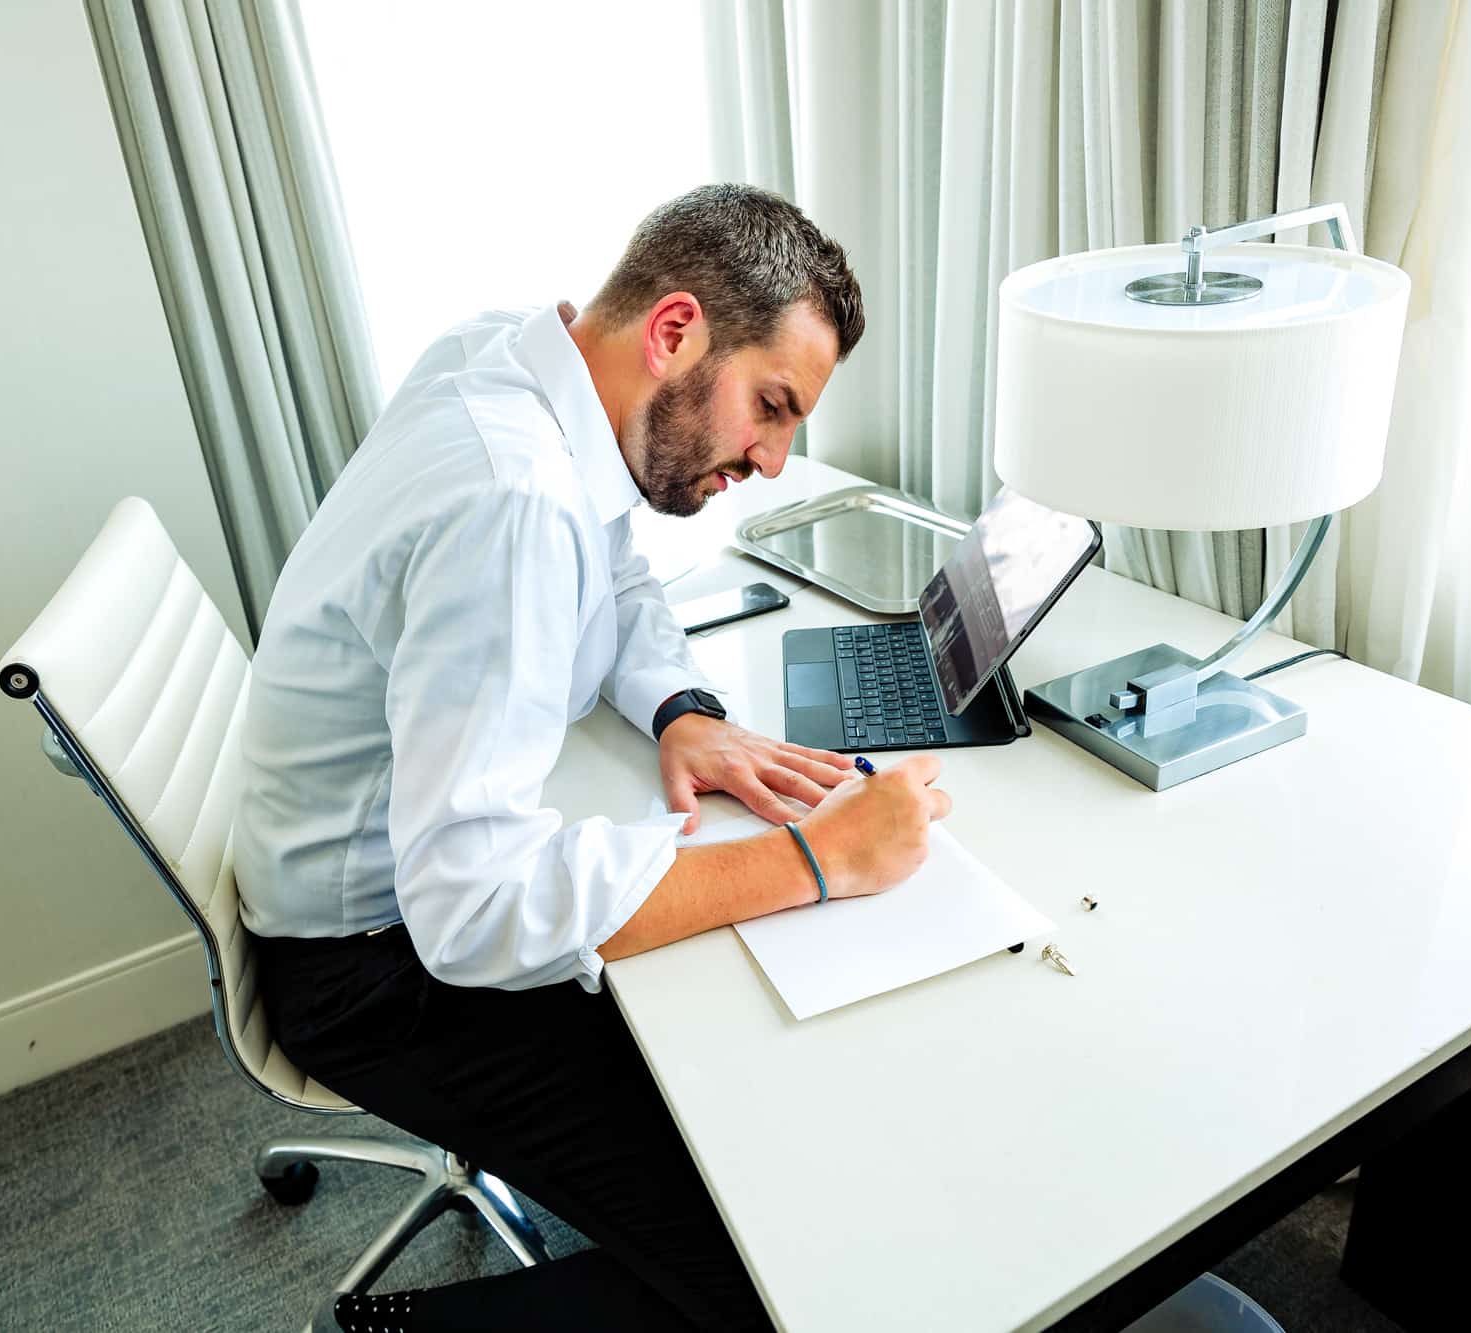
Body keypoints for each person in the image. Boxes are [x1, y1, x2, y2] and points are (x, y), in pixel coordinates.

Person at [234, 183, 953, 1332]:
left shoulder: (514, 365)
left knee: (753, 1088)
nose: (771, 459)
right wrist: (818, 861)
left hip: (376, 899)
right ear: (674, 331)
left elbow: (611, 569)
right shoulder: (509, 502)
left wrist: (679, 706)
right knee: (777, 1263)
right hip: (377, 971)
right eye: (769, 406)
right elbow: (474, 911)